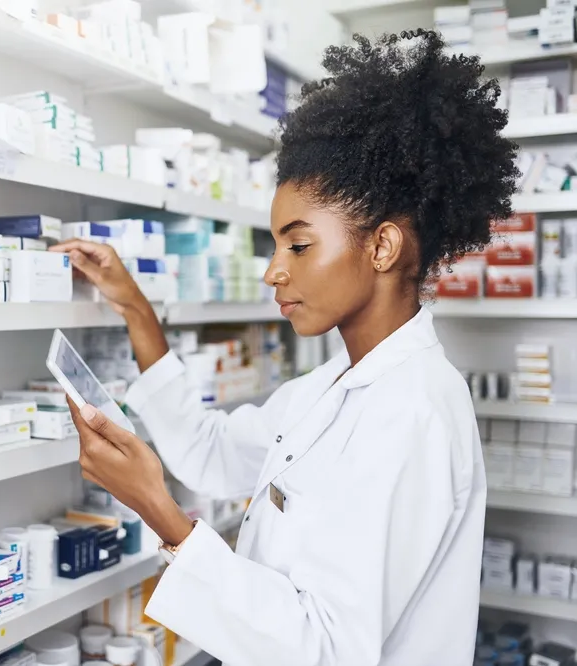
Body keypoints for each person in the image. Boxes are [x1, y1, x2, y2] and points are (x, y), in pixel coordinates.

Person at [52, 30, 517, 666]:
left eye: (297, 246)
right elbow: (210, 452)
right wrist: (131, 303)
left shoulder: (416, 411)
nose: (274, 271)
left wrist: (159, 511)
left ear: (381, 247)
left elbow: (328, 650)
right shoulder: (330, 388)